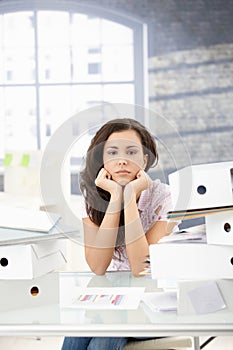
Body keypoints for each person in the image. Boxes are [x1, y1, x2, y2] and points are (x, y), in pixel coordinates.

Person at [61, 118, 177, 350]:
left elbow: (141, 268)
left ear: (144, 160)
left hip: (154, 300)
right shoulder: (93, 197)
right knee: (74, 338)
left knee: (102, 342)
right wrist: (116, 197)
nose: (122, 160)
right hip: (110, 301)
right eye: (112, 152)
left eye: (132, 152)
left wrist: (130, 196)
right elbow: (98, 266)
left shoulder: (165, 197)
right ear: (102, 160)